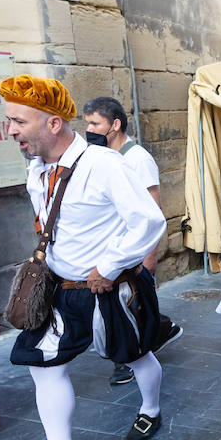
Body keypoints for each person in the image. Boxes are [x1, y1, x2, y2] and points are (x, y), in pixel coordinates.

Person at [1, 75, 167, 440]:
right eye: (10, 120)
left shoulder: (106, 165)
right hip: (60, 289)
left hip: (108, 288)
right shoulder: (37, 170)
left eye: (19, 121)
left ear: (53, 123)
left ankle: (150, 408)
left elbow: (149, 221)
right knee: (42, 363)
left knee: (134, 354)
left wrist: (109, 266)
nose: (11, 130)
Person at [82, 96, 183, 387]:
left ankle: (131, 357)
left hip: (133, 251)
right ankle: (154, 335)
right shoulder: (99, 157)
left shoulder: (137, 158)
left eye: (94, 123)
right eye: (87, 123)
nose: (89, 129)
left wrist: (150, 257)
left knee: (130, 305)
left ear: (114, 125)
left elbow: (154, 209)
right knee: (122, 305)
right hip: (112, 248)